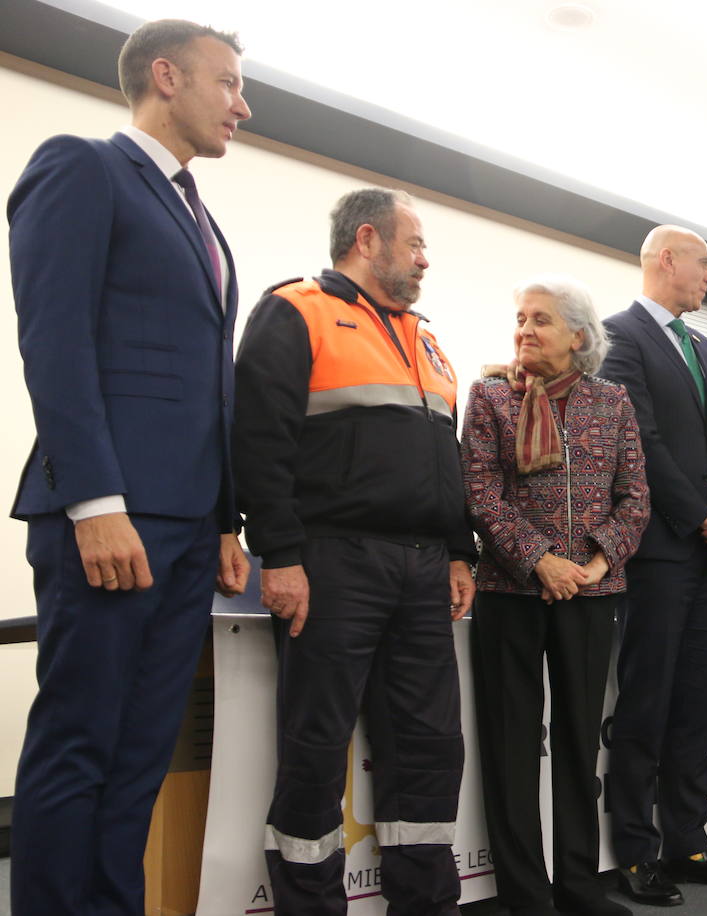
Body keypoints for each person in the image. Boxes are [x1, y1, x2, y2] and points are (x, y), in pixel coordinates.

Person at [7, 19, 250, 915]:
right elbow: (55, 343)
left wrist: (226, 520)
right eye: (226, 82)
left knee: (143, 750)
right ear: (165, 77)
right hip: (109, 516)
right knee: (80, 744)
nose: (242, 103)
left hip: (189, 527)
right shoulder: (82, 167)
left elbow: (206, 384)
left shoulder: (202, 217)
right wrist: (94, 500)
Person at [233, 188, 476, 915]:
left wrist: (459, 551)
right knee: (316, 745)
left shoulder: (426, 339)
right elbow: (259, 442)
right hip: (334, 561)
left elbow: (446, 461)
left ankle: (425, 905)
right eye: (416, 244)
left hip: (424, 568)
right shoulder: (296, 310)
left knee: (430, 747)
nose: (426, 259)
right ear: (367, 240)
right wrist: (277, 554)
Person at [462, 275, 648, 916]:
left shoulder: (613, 401)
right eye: (519, 318)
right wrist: (540, 561)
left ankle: (577, 883)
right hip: (510, 592)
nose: (524, 329)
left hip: (592, 593)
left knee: (577, 743)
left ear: (578, 335)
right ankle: (525, 894)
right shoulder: (489, 397)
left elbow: (635, 498)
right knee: (512, 746)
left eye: (539, 319)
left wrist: (595, 564)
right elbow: (480, 493)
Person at [601, 226, 707, 906]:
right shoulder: (618, 335)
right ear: (666, 260)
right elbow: (638, 441)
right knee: (648, 701)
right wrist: (704, 516)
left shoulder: (703, 345)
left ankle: (689, 842)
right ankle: (637, 853)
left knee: (698, 701)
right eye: (704, 263)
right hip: (662, 550)